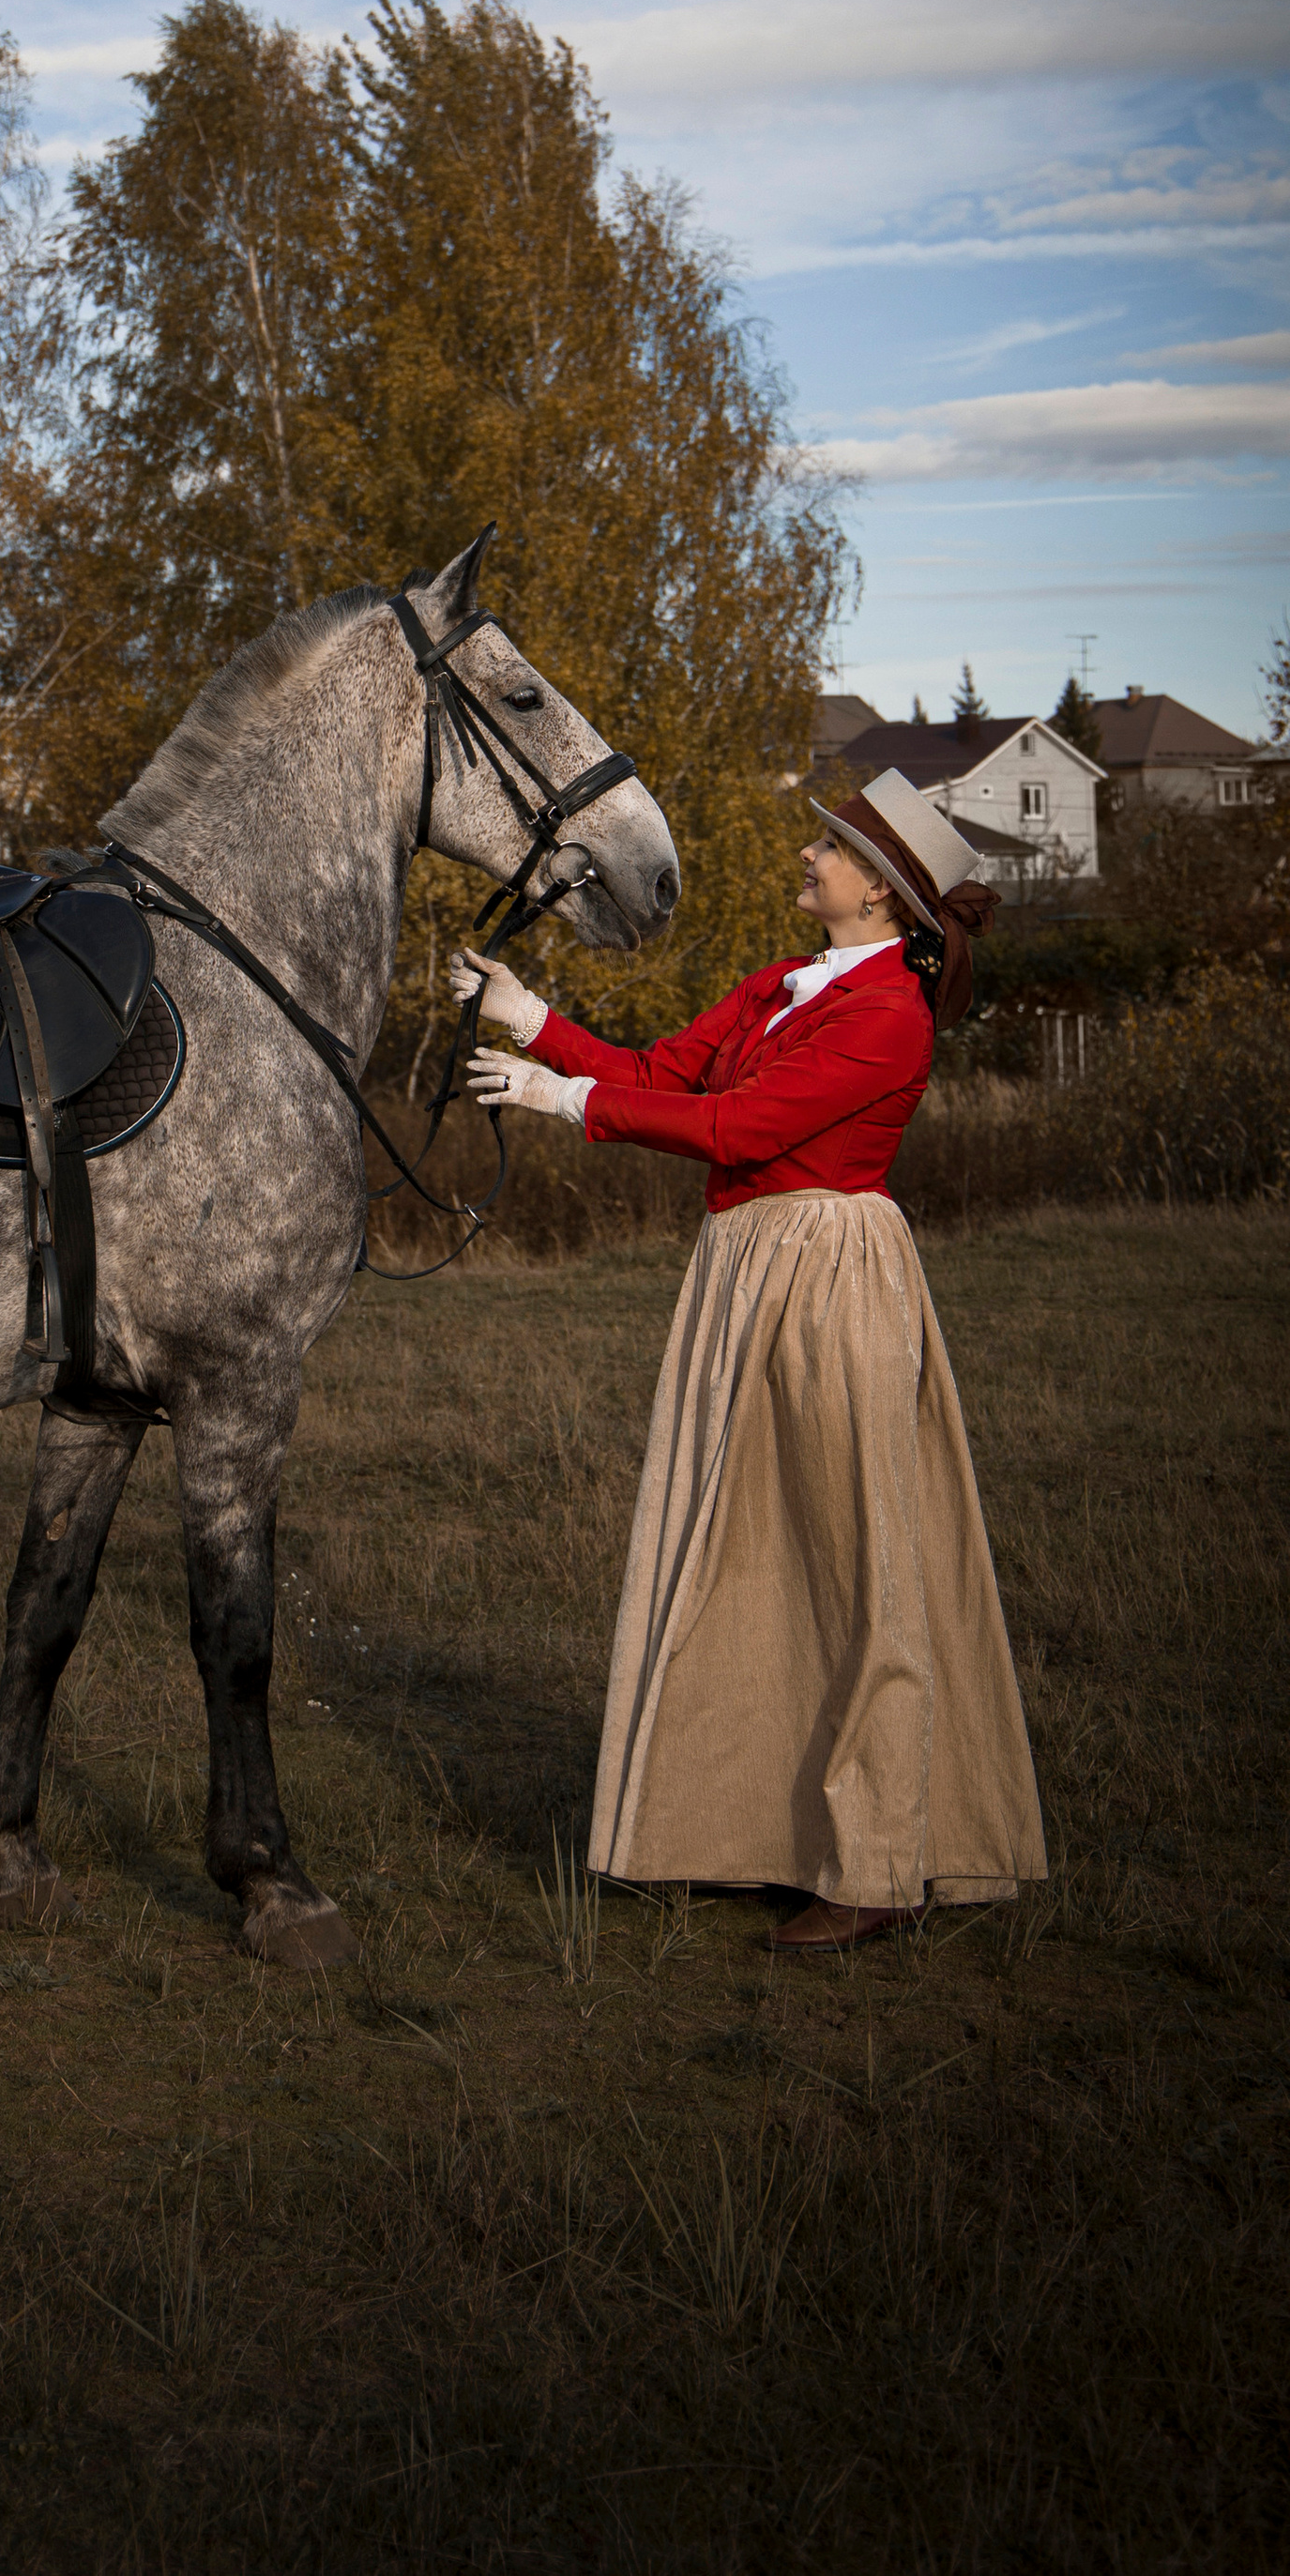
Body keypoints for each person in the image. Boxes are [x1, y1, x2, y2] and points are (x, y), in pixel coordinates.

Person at [455, 766, 1045, 1953]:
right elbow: (672, 1075)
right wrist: (531, 1020)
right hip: (746, 1269)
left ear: (879, 895)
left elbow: (748, 1127)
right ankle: (755, 1831)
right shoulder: (782, 984)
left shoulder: (887, 1015)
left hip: (829, 1279)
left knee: (856, 1556)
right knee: (751, 1552)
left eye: (827, 851)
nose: (806, 860)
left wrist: (559, 1101)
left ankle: (878, 1865)